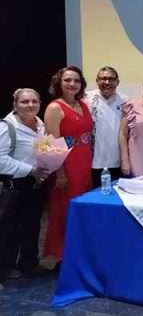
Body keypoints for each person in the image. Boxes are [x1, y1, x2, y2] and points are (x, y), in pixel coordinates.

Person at [43, 66, 93, 262]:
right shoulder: (55, 108)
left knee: (80, 209)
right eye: (67, 80)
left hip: (84, 164)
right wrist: (60, 173)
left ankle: (76, 252)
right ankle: (59, 255)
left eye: (76, 80)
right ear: (59, 83)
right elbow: (51, 145)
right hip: (66, 167)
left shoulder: (83, 105)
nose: (72, 84)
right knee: (64, 210)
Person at [0, 89, 50, 282]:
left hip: (35, 183)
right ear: (15, 104)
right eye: (25, 102)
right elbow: (1, 160)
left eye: (34, 101)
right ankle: (6, 267)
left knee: (32, 225)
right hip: (14, 184)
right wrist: (30, 170)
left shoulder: (40, 124)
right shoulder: (6, 127)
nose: (30, 105)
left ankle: (29, 263)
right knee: (9, 229)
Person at [84, 66, 128, 188]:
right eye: (103, 78)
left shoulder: (125, 101)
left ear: (117, 82)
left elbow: (125, 133)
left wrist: (125, 160)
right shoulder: (85, 98)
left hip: (116, 161)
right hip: (91, 161)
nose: (107, 82)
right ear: (97, 81)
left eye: (111, 79)